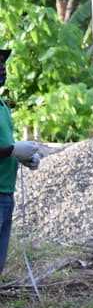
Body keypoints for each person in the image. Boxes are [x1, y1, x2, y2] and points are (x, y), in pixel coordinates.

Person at [0, 48, 42, 278]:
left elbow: (5, 144)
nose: (2, 70)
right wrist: (13, 150)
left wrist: (22, 157)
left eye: (3, 65)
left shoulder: (4, 106)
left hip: (6, 191)